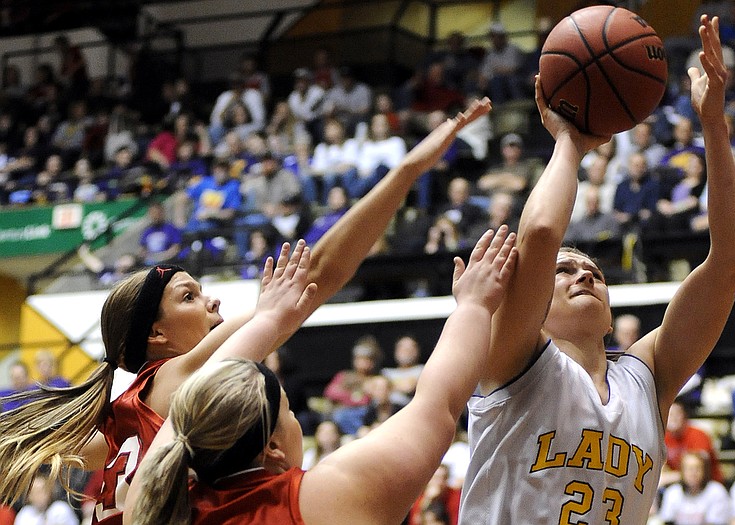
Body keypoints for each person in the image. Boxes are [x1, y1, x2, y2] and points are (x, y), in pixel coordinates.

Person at [0, 97, 494, 521]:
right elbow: (316, 278)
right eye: (189, 296)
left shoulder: (111, 420)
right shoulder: (174, 377)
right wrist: (406, 173)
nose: (212, 299)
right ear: (156, 336)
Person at [458, 16, 735, 524]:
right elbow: (543, 236)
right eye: (564, 271)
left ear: (613, 317)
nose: (585, 275)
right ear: (531, 306)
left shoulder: (647, 379)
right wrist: (569, 139)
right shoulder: (511, 357)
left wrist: (712, 125)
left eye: (593, 271)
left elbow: (729, 263)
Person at [122, 226, 517, 525]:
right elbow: (439, 404)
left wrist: (269, 319)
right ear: (272, 449)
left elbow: (186, 415)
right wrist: (475, 305)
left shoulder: (149, 505)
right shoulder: (322, 497)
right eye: (290, 412)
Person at [660, 399, 724, 489]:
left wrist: (671, 476)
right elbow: (661, 468)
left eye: (677, 414)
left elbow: (698, 471)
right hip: (679, 485)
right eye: (670, 414)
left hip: (706, 485)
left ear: (685, 416)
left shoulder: (699, 435)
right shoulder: (663, 437)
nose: (673, 418)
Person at [658, 451, 732, 525]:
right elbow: (667, 521)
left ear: (704, 470)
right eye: (689, 469)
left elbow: (716, 522)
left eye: (697, 468)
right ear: (681, 471)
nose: (693, 473)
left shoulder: (716, 491)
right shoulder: (673, 492)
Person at [13, 470, 78, 525]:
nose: (39, 495)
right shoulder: (25, 513)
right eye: (34, 492)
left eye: (42, 490)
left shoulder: (60, 509)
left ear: (49, 492)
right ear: (28, 496)